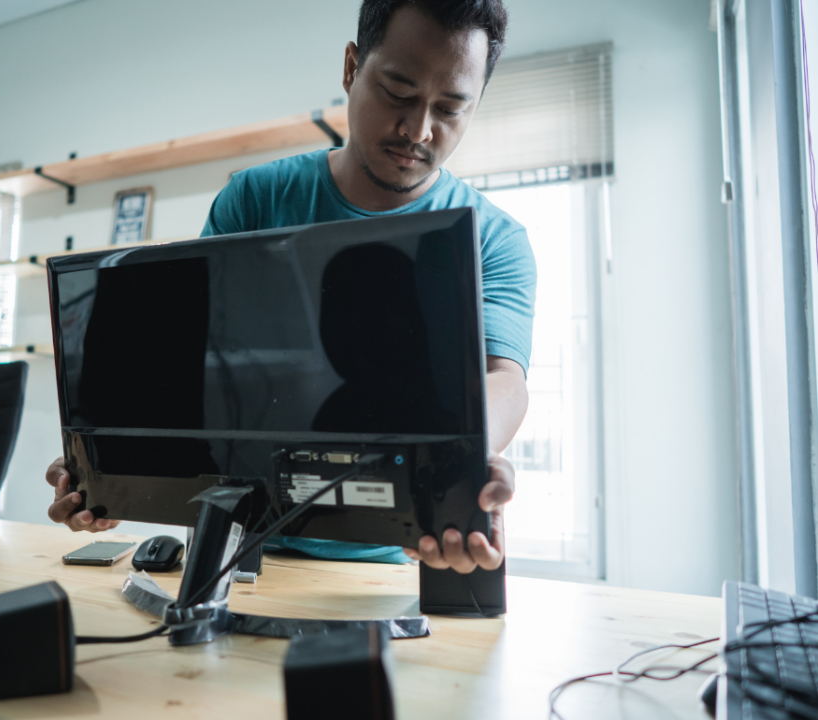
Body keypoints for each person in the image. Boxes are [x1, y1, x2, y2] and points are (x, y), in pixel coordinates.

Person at [46, 0, 534, 576]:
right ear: (352, 67)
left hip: (399, 559)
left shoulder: (494, 238)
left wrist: (472, 457)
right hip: (245, 552)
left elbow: (504, 378)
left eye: (451, 109)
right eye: (399, 93)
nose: (419, 130)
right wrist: (112, 469)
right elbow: (184, 366)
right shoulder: (254, 200)